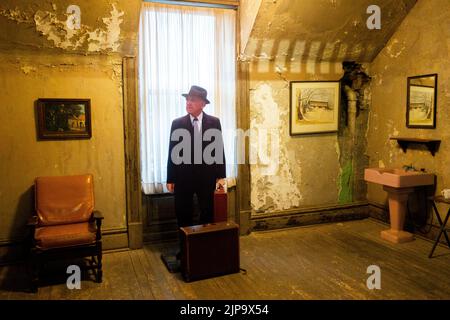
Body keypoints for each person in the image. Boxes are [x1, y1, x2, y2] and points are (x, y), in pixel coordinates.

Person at [166, 85, 226, 230]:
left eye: (193, 100)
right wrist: (170, 178)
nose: (188, 103)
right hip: (183, 178)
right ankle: (185, 251)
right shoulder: (177, 123)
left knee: (207, 214)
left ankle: (204, 249)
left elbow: (219, 149)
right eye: (187, 99)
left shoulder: (214, 122)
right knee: (183, 215)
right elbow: (172, 152)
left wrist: (221, 176)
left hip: (206, 177)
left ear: (203, 104)